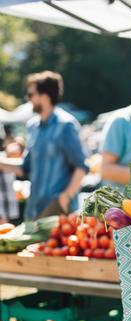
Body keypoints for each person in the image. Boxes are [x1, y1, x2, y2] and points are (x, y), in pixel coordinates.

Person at [0, 71, 87, 219]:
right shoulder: (32, 126)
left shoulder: (66, 125)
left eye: (30, 93)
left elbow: (81, 167)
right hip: (33, 210)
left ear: (45, 97)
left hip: (57, 211)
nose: (27, 98)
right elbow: (25, 167)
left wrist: (64, 199)